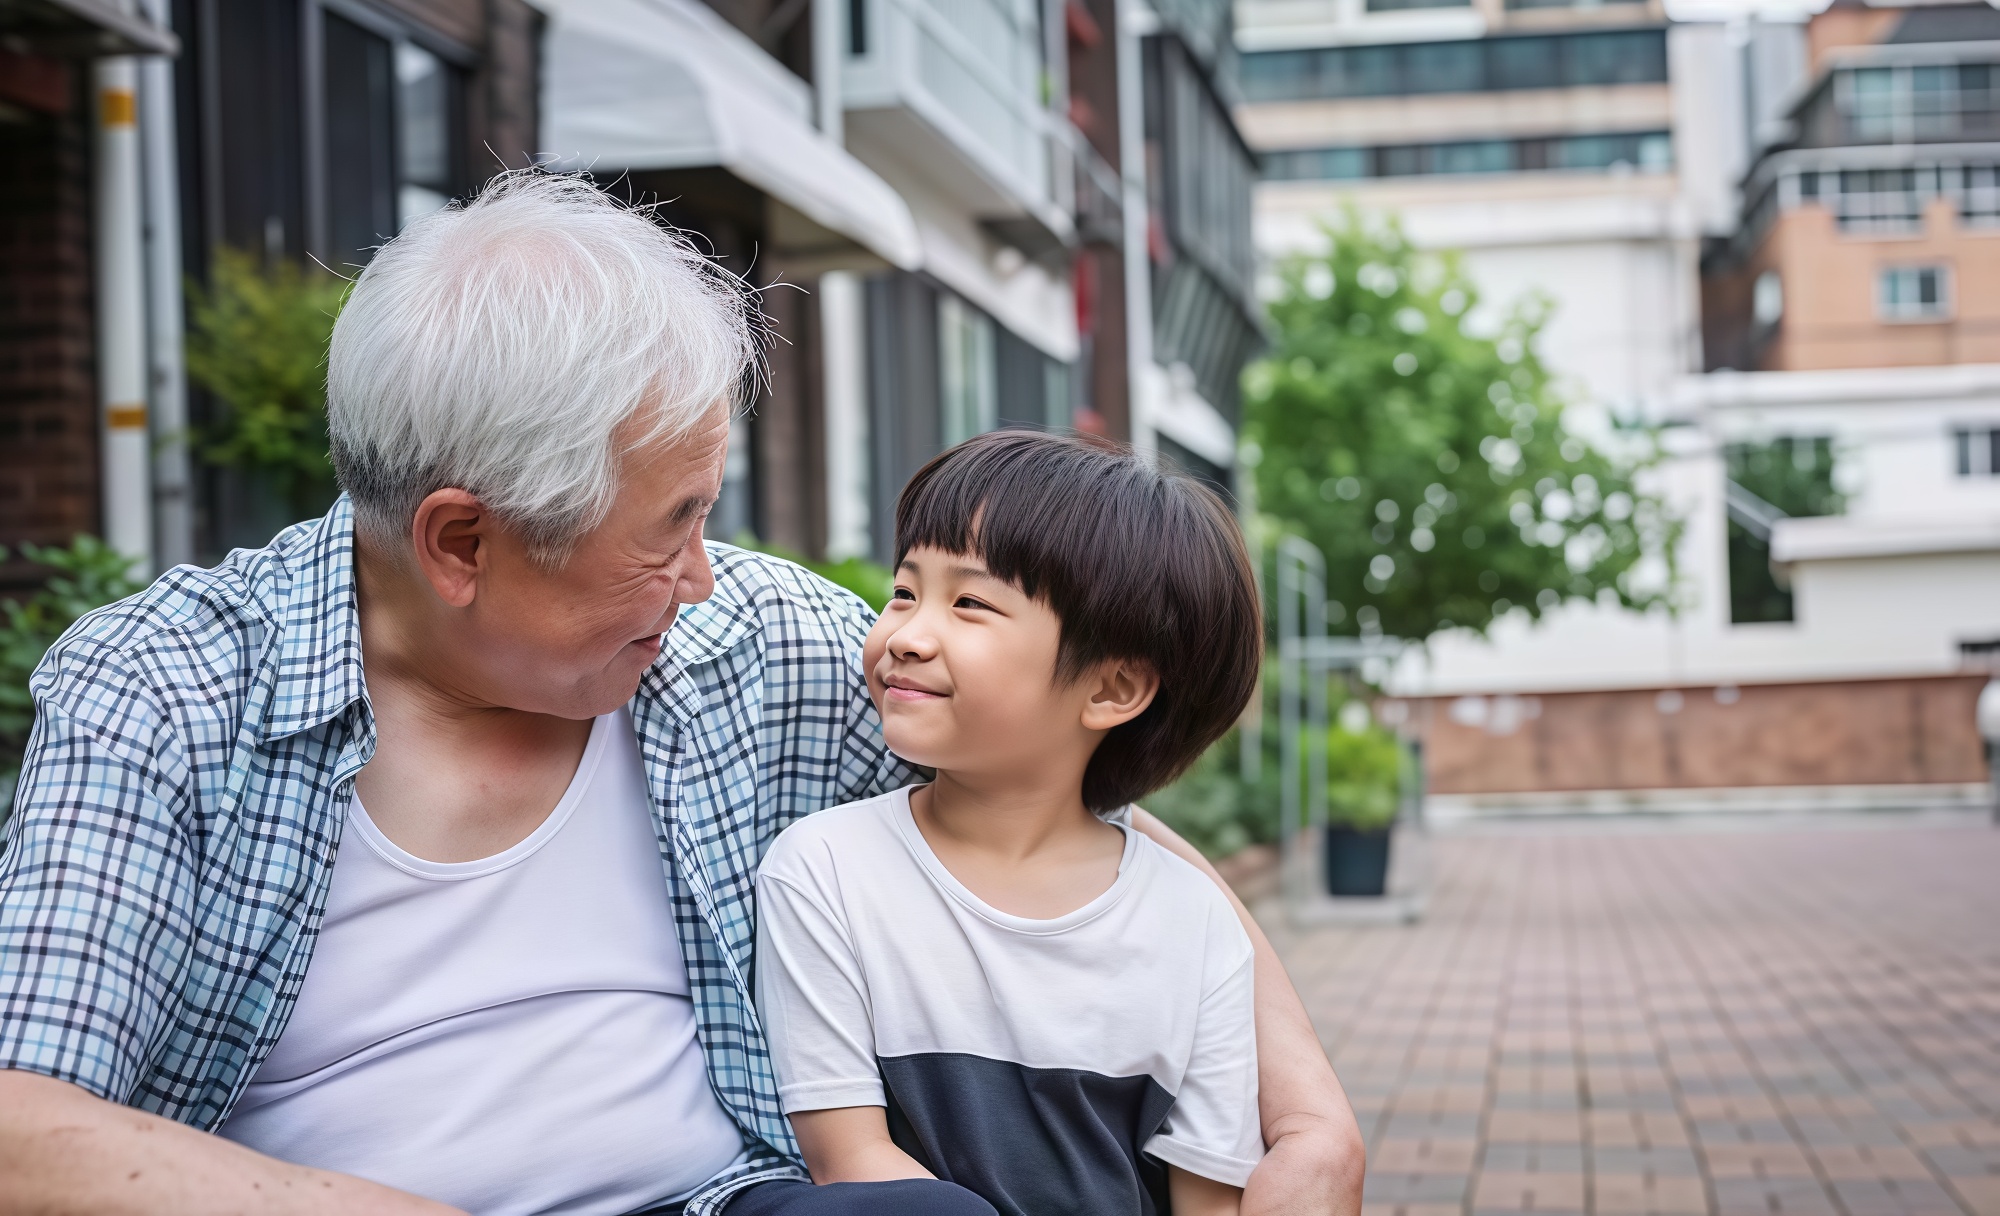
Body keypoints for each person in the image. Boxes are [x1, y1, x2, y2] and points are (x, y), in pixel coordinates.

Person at [0, 171, 1364, 1216]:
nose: (705, 572)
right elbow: (23, 1122)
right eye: (671, 525)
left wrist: (1306, 1112)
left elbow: (1057, 797)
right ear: (461, 543)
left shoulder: (750, 641)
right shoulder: (169, 691)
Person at [756, 433, 1264, 1216]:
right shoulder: (825, 870)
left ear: (1112, 689)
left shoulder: (1193, 922)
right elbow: (849, 1159)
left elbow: (1210, 1201)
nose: (905, 636)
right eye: (904, 592)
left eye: (970, 604)